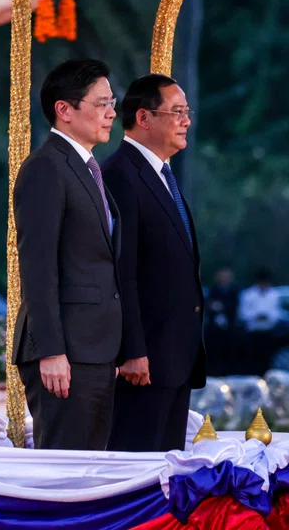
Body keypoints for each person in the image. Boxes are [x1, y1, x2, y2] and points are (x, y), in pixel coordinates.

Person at [11, 58, 123, 451]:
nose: (112, 113)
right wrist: (52, 351)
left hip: (96, 347)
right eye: (102, 103)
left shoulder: (88, 168)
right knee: (64, 471)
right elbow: (37, 267)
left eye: (113, 102)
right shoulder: (46, 167)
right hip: (66, 351)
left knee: (91, 469)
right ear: (65, 109)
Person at [102, 73, 206, 452]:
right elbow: (121, 270)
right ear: (144, 118)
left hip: (175, 356)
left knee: (166, 474)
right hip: (141, 364)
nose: (186, 121)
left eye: (187, 112)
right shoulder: (119, 175)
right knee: (137, 475)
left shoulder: (163, 174)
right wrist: (132, 349)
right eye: (177, 111)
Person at [206, 267, 239, 376]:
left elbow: (235, 307)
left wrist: (222, 306)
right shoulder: (213, 290)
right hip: (214, 329)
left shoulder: (234, 291)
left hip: (229, 328)